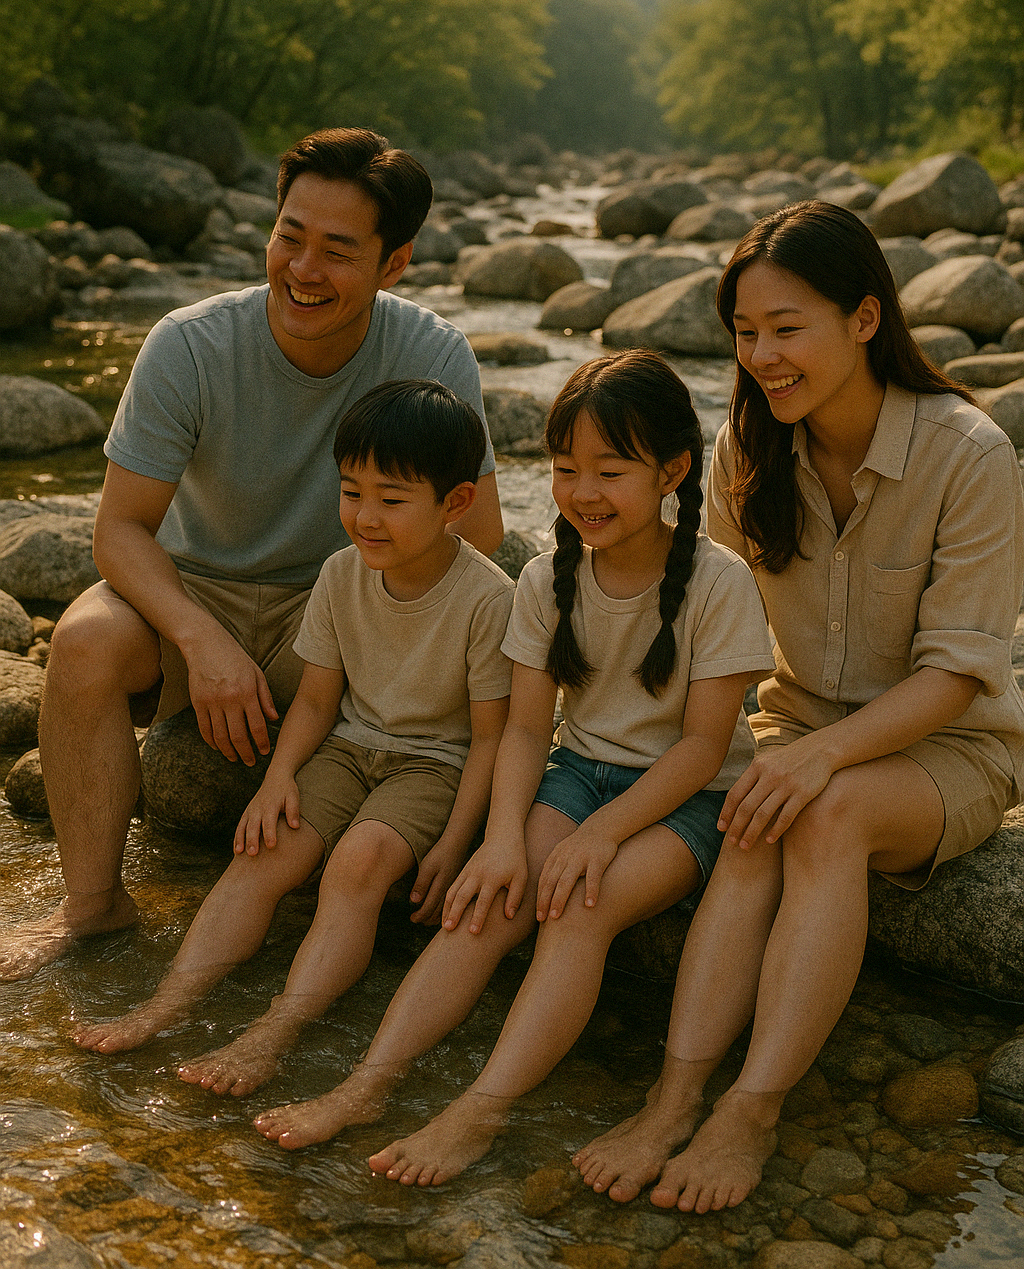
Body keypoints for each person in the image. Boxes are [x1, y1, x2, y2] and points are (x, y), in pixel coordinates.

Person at [572, 200, 1024, 1214]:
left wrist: (818, 760)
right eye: (743, 332)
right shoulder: (744, 454)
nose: (762, 356)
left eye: (787, 328)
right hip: (794, 724)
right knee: (750, 818)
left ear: (865, 319)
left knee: (820, 810)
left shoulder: (970, 453)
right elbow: (708, 628)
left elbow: (958, 674)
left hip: (947, 749)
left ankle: (754, 1108)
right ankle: (675, 1094)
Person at [253, 349, 775, 1182]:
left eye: (612, 471)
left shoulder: (720, 582)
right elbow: (528, 733)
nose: (584, 494)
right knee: (488, 903)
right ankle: (367, 1085)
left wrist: (599, 836)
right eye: (567, 469)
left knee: (575, 906)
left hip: (684, 798)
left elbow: (703, 748)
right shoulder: (544, 578)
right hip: (576, 776)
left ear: (673, 470)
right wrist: (500, 842)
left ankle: (478, 1112)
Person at [0, 127, 503, 982]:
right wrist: (201, 641)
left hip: (348, 602)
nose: (303, 269)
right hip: (199, 591)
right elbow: (119, 530)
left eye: (338, 251)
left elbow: (479, 533)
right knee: (82, 644)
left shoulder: (429, 352)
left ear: (394, 264)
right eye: (289, 235)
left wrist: (364, 613)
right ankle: (92, 905)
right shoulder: (191, 345)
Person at [72, 380, 514, 1095]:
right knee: (264, 850)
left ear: (456, 503)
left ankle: (274, 1031)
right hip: (347, 747)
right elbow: (315, 700)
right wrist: (277, 781)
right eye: (351, 492)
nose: (366, 517)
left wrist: (456, 841)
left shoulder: (489, 599)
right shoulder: (340, 575)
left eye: (392, 500)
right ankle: (167, 1004)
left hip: (432, 766)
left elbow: (493, 739)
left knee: (357, 865)